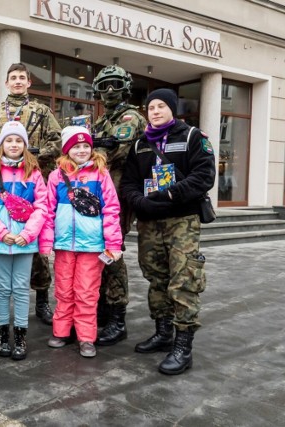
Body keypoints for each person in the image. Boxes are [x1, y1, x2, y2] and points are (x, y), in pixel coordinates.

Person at [121, 88, 215, 375]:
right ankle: (163, 333)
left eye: (161, 106)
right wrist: (138, 201)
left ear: (173, 109)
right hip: (150, 222)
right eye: (151, 108)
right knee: (156, 278)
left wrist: (172, 195)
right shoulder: (140, 146)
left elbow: (204, 176)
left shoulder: (192, 137)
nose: (156, 111)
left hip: (181, 220)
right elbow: (128, 183)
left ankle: (183, 346)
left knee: (184, 280)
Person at [0, 63, 62, 325]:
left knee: (36, 248)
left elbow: (57, 141)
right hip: (2, 183)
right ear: (6, 83)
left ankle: (42, 304)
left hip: (31, 182)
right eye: (13, 78)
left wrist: (33, 156)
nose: (17, 82)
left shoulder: (42, 111)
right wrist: (4, 158)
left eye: (21, 78)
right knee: (2, 244)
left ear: (28, 83)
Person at [42, 126, 122, 358]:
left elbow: (111, 210)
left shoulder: (100, 173)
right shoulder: (57, 176)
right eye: (76, 146)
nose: (82, 150)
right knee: (64, 290)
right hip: (64, 245)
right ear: (67, 150)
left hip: (92, 245)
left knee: (87, 292)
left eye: (86, 145)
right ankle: (62, 331)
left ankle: (86, 337)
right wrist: (47, 242)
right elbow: (48, 210)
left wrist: (113, 243)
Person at [0, 122, 48, 360]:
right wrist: (1, 232)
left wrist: (28, 234)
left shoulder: (34, 172)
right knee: (3, 289)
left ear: (25, 145)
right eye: (9, 140)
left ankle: (20, 334)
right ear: (1, 144)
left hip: (25, 242)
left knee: (21, 289)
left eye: (18, 141)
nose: (14, 145)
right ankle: (3, 334)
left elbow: (42, 207)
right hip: (1, 241)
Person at [91, 65, 147, 346]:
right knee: (96, 253)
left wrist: (94, 146)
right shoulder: (101, 121)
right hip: (97, 194)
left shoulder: (131, 117)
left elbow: (115, 150)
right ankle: (101, 310)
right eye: (105, 86)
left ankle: (117, 318)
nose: (110, 91)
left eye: (115, 85)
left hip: (118, 196)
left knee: (112, 255)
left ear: (125, 88)